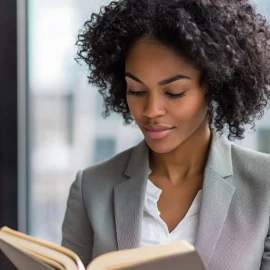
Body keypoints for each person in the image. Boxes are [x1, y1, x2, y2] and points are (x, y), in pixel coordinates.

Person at [61, 0, 270, 269]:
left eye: (174, 92)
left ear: (215, 85)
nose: (151, 110)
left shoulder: (264, 187)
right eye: (136, 90)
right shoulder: (91, 187)